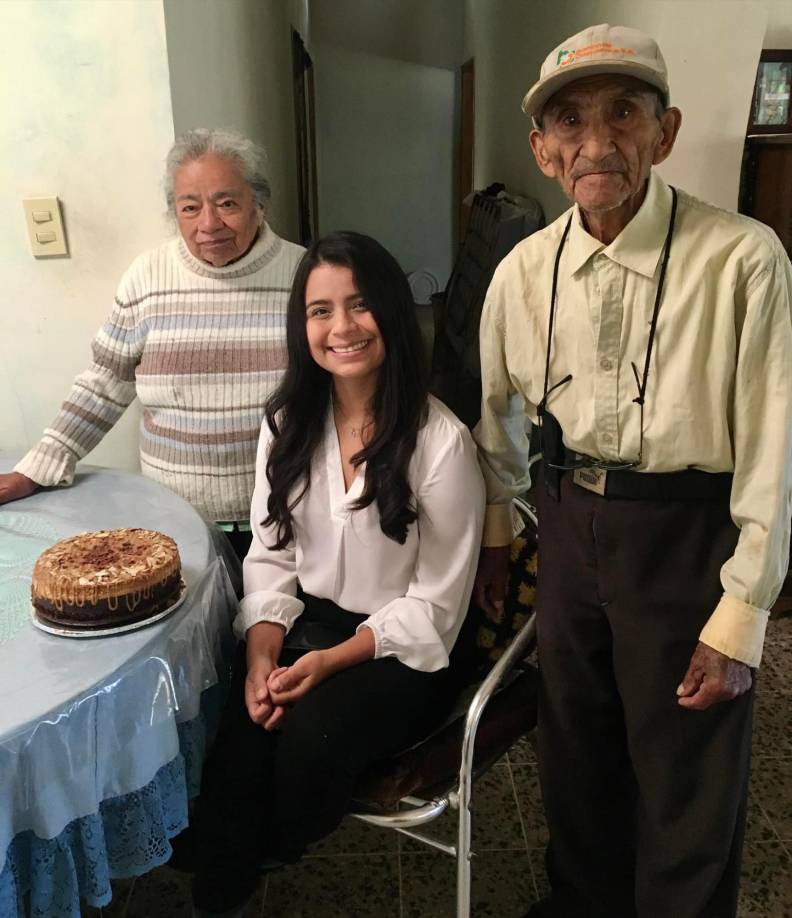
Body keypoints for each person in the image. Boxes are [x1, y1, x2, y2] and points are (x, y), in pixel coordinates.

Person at [473, 23, 792, 918]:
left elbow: (776, 445)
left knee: (688, 762)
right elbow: (495, 411)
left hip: (689, 532)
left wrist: (744, 609)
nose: (596, 141)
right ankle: (584, 899)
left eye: (624, 112)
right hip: (569, 524)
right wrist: (501, 530)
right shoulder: (522, 271)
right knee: (574, 742)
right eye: (569, 121)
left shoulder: (744, 260)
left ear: (667, 131)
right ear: (542, 150)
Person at [187, 231, 485, 917]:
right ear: (303, 326)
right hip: (307, 622)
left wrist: (325, 663)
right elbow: (271, 554)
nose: (341, 327)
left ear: (391, 313)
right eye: (320, 310)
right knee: (239, 729)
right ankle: (221, 877)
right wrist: (262, 654)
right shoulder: (288, 420)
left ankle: (264, 847)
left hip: (403, 647)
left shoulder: (440, 442)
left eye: (359, 306)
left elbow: (436, 608)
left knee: (308, 740)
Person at [0, 128, 304, 558]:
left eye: (227, 203)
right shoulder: (148, 278)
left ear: (259, 202)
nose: (208, 224)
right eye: (190, 207)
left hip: (286, 517)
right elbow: (105, 383)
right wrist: (39, 467)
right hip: (174, 519)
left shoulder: (304, 276)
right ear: (173, 213)